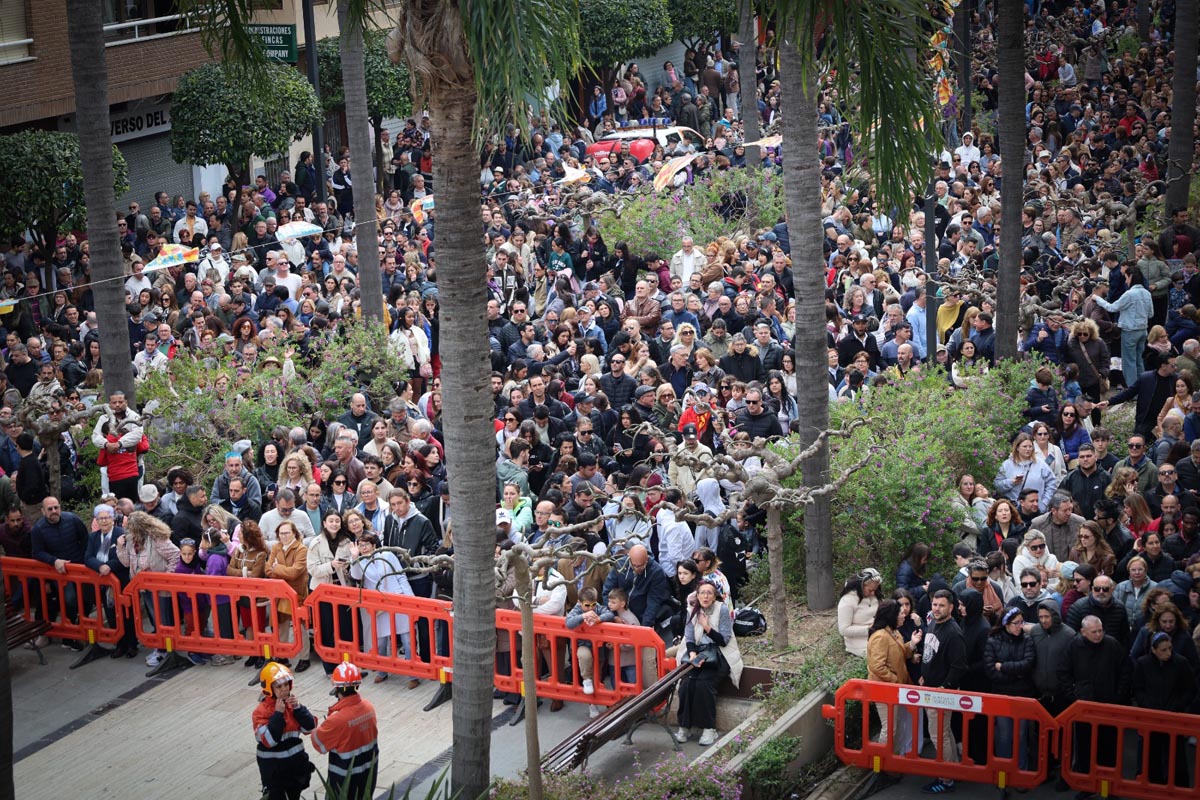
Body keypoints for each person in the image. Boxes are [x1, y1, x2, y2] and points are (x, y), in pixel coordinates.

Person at [1058, 616, 1130, 781]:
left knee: (1108, 748)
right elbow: (1063, 673)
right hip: (1084, 708)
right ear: (1083, 632)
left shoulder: (1112, 645)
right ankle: (1085, 783)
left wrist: (1118, 696)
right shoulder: (1074, 646)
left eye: (1100, 631)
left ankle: (1108, 784)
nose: (1099, 635)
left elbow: (1125, 672)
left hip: (1108, 706)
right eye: (1094, 632)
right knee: (1084, 747)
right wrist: (1073, 697)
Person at [674, 579, 741, 747]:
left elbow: (724, 640)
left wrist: (707, 627)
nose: (705, 596)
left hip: (718, 655)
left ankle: (709, 728)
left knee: (704, 684)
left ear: (714, 596)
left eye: (709, 593)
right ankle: (684, 726)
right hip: (698, 653)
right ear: (697, 595)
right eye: (702, 592)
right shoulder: (692, 610)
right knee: (687, 683)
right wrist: (692, 654)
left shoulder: (722, 609)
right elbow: (689, 637)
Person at [1132, 632, 1197, 787]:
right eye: (1163, 650)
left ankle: (1179, 788)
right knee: (1152, 754)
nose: (1168, 653)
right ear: (1154, 650)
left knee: (1177, 756)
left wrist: (1178, 706)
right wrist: (1148, 705)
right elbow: (1137, 689)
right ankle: (1153, 786)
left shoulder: (1181, 663)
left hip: (1173, 717)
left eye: (1169, 648)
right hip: (1152, 717)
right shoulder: (1143, 664)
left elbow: (1190, 689)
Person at [918, 589, 966, 795]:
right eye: (934, 604)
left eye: (941, 605)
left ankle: (946, 779)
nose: (936, 609)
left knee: (939, 735)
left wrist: (944, 688)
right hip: (930, 687)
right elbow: (930, 654)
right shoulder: (933, 623)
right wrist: (923, 675)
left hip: (941, 693)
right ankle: (954, 770)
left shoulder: (953, 633)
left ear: (951, 607)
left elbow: (959, 666)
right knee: (944, 733)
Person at [349, 532, 413, 684]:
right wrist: (354, 557)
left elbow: (401, 575)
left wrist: (410, 598)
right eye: (361, 545)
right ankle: (382, 671)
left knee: (407, 639)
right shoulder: (360, 560)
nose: (364, 548)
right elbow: (356, 576)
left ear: (374, 545)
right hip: (378, 604)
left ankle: (413, 675)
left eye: (366, 544)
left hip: (397, 598)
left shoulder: (387, 555)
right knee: (381, 640)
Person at [311, 662, 379, 800]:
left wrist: (319, 725)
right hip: (367, 777)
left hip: (343, 783)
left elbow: (318, 743)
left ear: (337, 688)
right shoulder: (369, 707)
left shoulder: (337, 720)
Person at [252, 662, 316, 800]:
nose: (284, 689)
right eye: (279, 686)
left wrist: (299, 709)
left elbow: (310, 728)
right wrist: (278, 715)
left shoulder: (292, 706)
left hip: (295, 770)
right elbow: (269, 741)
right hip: (274, 773)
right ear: (269, 688)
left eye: (286, 684)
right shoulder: (260, 712)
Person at [866, 599, 921, 754]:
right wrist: (895, 680)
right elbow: (877, 666)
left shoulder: (894, 632)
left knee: (894, 727)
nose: (904, 615)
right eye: (900, 613)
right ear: (892, 616)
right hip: (884, 690)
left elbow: (899, 653)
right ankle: (883, 763)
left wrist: (911, 645)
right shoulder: (880, 636)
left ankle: (893, 761)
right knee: (889, 728)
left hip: (895, 689)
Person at [984, 607, 1036, 769]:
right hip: (1002, 695)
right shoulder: (993, 640)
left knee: (1021, 736)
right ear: (1006, 624)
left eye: (1022, 622)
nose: (1020, 626)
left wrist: (1004, 667)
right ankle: (1003, 772)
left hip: (1022, 695)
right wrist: (1016, 674)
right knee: (1004, 736)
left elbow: (1027, 665)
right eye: (1016, 623)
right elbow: (990, 670)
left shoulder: (1027, 640)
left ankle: (1022, 771)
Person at [994, 433, 1058, 513]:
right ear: (1017, 447)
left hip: (1037, 510)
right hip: (1015, 510)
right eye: (1025, 446)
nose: (1028, 449)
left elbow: (1052, 483)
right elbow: (997, 486)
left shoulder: (1040, 463)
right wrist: (1011, 482)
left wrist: (1044, 503)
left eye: (1030, 446)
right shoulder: (1006, 465)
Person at [837, 568, 881, 657]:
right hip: (859, 644)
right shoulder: (847, 600)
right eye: (870, 590)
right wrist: (869, 629)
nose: (873, 593)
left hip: (879, 636)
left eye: (875, 590)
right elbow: (844, 630)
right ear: (861, 585)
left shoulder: (874, 596)